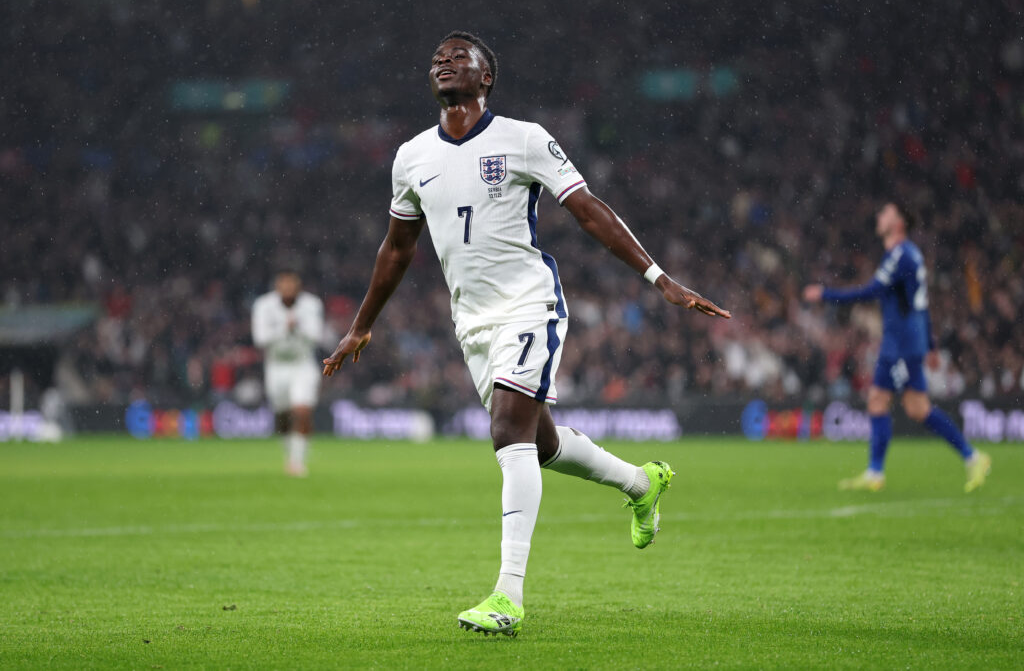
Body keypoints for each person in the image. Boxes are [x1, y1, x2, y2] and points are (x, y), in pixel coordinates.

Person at [322, 31, 730, 637]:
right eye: (437, 57)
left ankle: (507, 595)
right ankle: (641, 484)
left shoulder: (524, 139)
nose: (443, 61)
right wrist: (361, 326)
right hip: (473, 322)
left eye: (459, 56)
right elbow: (397, 248)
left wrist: (658, 278)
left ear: (486, 77)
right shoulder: (411, 157)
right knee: (537, 445)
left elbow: (588, 207)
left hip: (529, 305)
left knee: (507, 432)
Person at [803, 202, 991, 493]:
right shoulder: (909, 255)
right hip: (901, 342)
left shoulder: (902, 254)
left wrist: (826, 294)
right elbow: (921, 304)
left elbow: (872, 291)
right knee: (878, 401)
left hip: (902, 344)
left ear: (899, 222)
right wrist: (929, 344)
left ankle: (973, 456)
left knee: (916, 408)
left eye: (886, 213)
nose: (879, 216)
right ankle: (875, 473)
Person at [252, 269, 324, 477]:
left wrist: (298, 327)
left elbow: (316, 335)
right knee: (283, 416)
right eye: (284, 284)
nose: (288, 289)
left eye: (292, 284)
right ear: (277, 286)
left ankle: (297, 462)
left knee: (302, 410)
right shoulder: (263, 305)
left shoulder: (312, 304)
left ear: (298, 286)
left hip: (302, 364)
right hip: (276, 366)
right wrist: (285, 328)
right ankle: (289, 455)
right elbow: (260, 339)